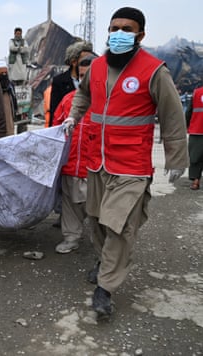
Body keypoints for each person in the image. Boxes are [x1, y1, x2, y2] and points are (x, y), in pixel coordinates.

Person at [64, 7, 189, 317]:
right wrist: (73, 116)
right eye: (114, 28)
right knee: (96, 219)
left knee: (119, 226)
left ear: (140, 35)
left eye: (126, 29)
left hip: (131, 166)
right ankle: (104, 260)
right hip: (97, 162)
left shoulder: (153, 70)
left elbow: (173, 116)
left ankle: (105, 287)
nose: (118, 34)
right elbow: (82, 96)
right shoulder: (96, 67)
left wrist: (177, 158)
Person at [53, 54, 97, 254]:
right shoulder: (67, 101)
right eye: (81, 76)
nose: (83, 80)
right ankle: (71, 237)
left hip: (95, 167)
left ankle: (102, 244)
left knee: (97, 208)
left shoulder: (108, 102)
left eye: (88, 75)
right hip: (71, 164)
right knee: (70, 205)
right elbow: (54, 130)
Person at [48, 40, 94, 127]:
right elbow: (55, 113)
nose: (89, 63)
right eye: (85, 60)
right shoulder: (60, 82)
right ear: (74, 62)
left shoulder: (97, 80)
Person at [185, 86, 203, 190]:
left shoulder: (196, 93)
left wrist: (186, 125)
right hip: (197, 129)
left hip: (197, 130)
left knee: (195, 157)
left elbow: (189, 111)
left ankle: (196, 182)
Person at [0, 59, 17, 136]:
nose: (4, 75)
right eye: (1, 73)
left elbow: (14, 102)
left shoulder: (10, 87)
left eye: (5, 73)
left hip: (10, 123)